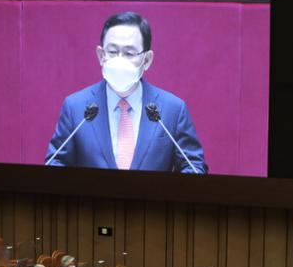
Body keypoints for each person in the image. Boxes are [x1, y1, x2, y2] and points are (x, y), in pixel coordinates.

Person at [45, 11, 207, 173]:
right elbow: (55, 162)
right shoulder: (76, 108)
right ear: (101, 55)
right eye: (113, 52)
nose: (119, 60)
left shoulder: (173, 110)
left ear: (147, 60)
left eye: (129, 53)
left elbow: (194, 167)